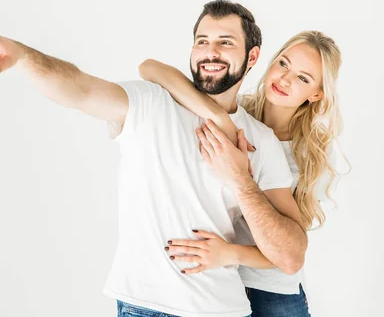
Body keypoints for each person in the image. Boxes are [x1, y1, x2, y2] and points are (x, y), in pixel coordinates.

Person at [0, 0, 307, 317]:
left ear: (252, 56)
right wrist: (22, 55)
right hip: (149, 307)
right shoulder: (152, 103)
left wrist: (239, 180)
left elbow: (290, 255)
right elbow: (79, 87)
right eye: (202, 40)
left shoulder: (259, 141)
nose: (210, 52)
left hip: (227, 310)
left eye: (225, 42)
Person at [139, 30, 344, 316]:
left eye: (303, 78)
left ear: (317, 94)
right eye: (283, 63)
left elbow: (290, 248)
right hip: (217, 283)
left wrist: (228, 253)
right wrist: (220, 118)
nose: (285, 79)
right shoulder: (233, 113)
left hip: (273, 292)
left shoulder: (313, 156)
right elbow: (149, 68)